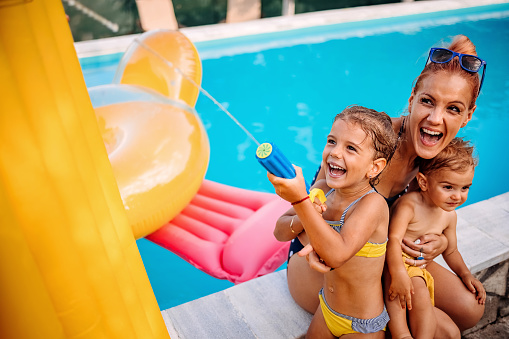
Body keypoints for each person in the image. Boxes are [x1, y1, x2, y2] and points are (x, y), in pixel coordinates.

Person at [273, 34, 487, 335]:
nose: (435, 119)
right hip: (325, 259)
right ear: (412, 99)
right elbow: (320, 189)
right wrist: (316, 207)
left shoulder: (438, 159)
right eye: (428, 102)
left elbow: (428, 213)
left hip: (383, 258)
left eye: (453, 108)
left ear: (468, 115)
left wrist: (440, 242)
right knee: (432, 330)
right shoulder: (372, 139)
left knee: (469, 309)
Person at [268, 105, 397, 338]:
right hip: (326, 309)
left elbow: (337, 253)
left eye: (351, 148)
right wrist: (305, 214)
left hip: (362, 323)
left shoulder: (372, 205)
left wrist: (300, 201)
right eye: (332, 141)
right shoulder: (324, 188)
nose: (336, 153)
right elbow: (280, 231)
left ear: (374, 167)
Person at [386, 137, 486, 338]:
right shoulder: (409, 205)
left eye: (465, 188)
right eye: (448, 187)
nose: (457, 196)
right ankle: (402, 334)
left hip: (419, 269)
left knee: (422, 298)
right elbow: (393, 240)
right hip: (393, 265)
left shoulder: (449, 215)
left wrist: (466, 275)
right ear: (423, 182)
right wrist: (398, 273)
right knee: (418, 292)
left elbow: (451, 250)